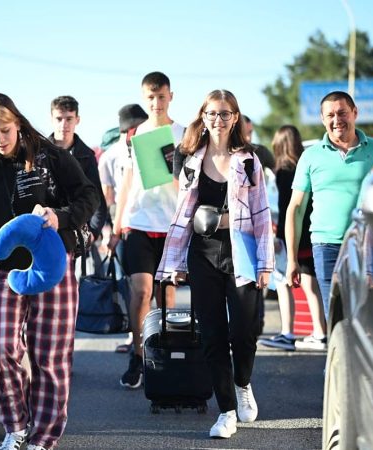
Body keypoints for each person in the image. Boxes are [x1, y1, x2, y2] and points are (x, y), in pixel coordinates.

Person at [0, 93, 99, 450]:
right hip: (7, 271)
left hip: (54, 264)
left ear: (17, 123)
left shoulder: (50, 155)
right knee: (3, 349)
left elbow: (88, 195)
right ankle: (16, 426)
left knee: (49, 358)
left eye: (4, 130)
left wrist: (61, 216)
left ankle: (44, 436)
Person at [156, 89, 273, 439]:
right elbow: (182, 212)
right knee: (212, 334)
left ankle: (242, 383)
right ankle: (225, 411)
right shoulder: (190, 157)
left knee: (243, 331)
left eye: (225, 114)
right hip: (202, 252)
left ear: (234, 118)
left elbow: (263, 215)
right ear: (203, 118)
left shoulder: (249, 160)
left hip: (242, 251)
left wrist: (266, 263)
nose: (218, 120)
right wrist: (176, 262)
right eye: (212, 114)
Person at [109, 71, 185, 389]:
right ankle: (138, 356)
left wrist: (172, 167)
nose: (156, 102)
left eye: (162, 96)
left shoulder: (184, 133)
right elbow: (126, 181)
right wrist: (116, 226)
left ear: (170, 96)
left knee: (165, 296)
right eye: (151, 97)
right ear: (145, 98)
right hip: (137, 222)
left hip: (170, 224)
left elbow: (190, 182)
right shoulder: (133, 135)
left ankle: (162, 355)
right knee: (140, 291)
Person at [284, 91, 373, 321]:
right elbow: (295, 209)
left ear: (355, 113)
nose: (337, 120)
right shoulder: (311, 156)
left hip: (368, 246)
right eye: (330, 115)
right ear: (322, 119)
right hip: (326, 246)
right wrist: (292, 260)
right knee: (336, 320)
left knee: (368, 319)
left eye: (342, 113)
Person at [258, 125, 326, 351]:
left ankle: (295, 332)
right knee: (310, 283)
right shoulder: (306, 166)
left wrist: (278, 236)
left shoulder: (284, 171)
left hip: (294, 234)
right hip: (312, 231)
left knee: (291, 282)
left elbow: (286, 206)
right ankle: (318, 331)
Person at [97, 103, 149, 354]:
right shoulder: (110, 157)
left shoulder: (153, 147)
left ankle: (153, 338)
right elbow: (107, 199)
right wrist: (108, 230)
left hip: (152, 223)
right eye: (135, 128)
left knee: (151, 288)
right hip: (125, 226)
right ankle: (135, 336)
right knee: (133, 286)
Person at [47, 95, 108, 276]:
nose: (63, 124)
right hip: (46, 226)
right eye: (59, 119)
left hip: (76, 229)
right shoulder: (39, 152)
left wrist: (94, 232)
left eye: (69, 119)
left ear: (77, 120)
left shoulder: (86, 155)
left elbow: (96, 197)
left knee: (77, 288)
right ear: (51, 119)